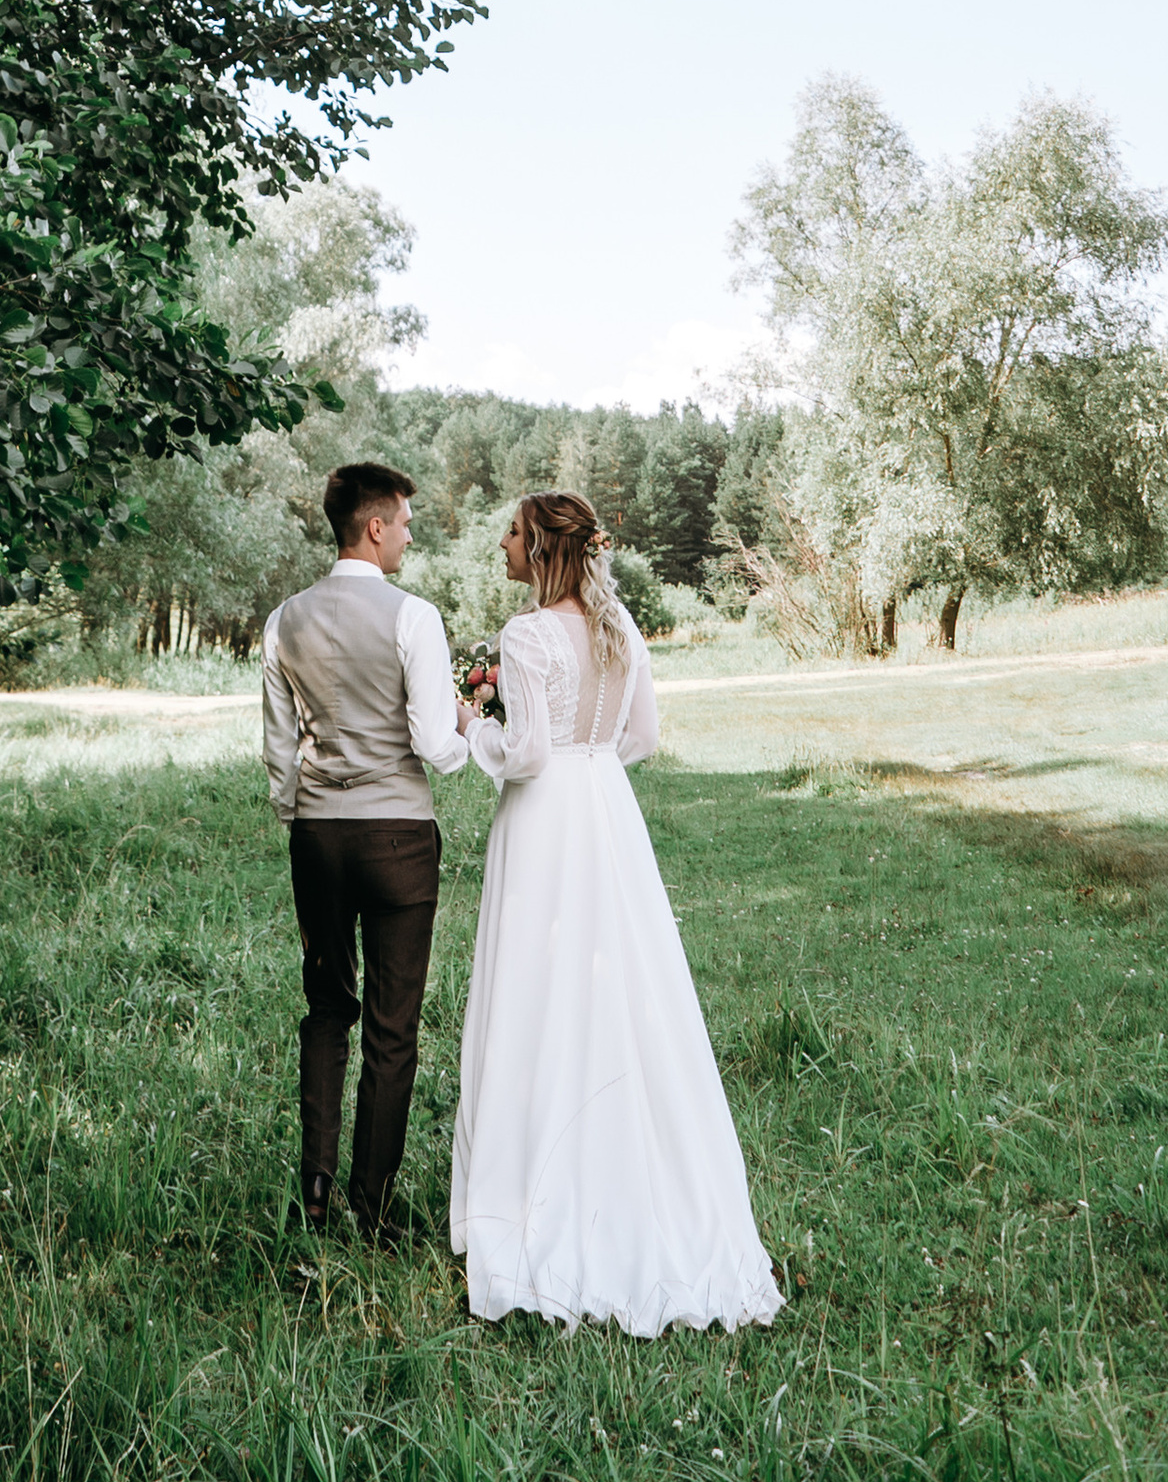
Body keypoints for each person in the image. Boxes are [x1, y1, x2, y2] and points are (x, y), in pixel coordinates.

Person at [452, 490, 782, 1334]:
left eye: (514, 532)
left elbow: (523, 755)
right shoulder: (617, 624)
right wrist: (590, 760)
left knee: (538, 985)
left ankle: (534, 1192)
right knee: (626, 990)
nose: (504, 541)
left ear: (544, 550)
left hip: (544, 821)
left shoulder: (526, 634)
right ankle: (636, 1180)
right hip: (606, 808)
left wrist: (474, 729)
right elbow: (643, 737)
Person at [260, 458, 471, 1238]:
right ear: (374, 526)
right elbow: (431, 741)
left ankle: (314, 1184)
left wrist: (302, 815)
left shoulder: (285, 618)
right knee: (392, 1024)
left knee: (325, 1007)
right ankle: (372, 1206)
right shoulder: (413, 616)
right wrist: (461, 729)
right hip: (398, 841)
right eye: (405, 522)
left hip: (317, 837)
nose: (410, 535)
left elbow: (281, 750)